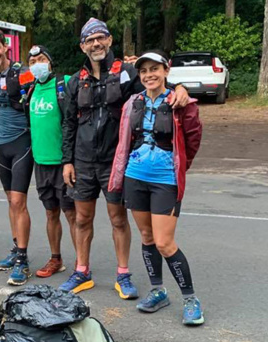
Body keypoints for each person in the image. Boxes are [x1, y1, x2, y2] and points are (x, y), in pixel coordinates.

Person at [59, 18, 190, 295]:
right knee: (82, 219)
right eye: (90, 40)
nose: (96, 43)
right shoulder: (75, 81)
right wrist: (67, 161)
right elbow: (69, 122)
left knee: (118, 218)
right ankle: (82, 271)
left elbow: (155, 83)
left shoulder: (128, 73)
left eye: (100, 38)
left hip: (116, 162)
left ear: (109, 40)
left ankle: (123, 274)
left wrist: (179, 88)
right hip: (82, 161)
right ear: (82, 46)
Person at [108, 51, 204, 325]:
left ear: (166, 71)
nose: (149, 75)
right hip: (135, 176)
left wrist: (180, 166)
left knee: (164, 242)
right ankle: (158, 290)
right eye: (144, 71)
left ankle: (190, 299)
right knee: (147, 237)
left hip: (165, 180)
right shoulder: (133, 103)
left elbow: (193, 139)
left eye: (154, 69)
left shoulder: (180, 103)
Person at [0, 27, 37, 286]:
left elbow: (44, 89)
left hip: (22, 141)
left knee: (18, 202)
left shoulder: (22, 72)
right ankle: (16, 248)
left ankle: (23, 260)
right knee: (10, 201)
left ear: (5, 47)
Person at [26, 45, 77, 279]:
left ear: (50, 62)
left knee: (72, 214)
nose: (37, 64)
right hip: (41, 162)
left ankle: (82, 265)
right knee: (51, 213)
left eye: (41, 59)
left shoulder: (64, 83)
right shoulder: (31, 90)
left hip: (63, 163)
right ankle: (56, 258)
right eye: (32, 61)